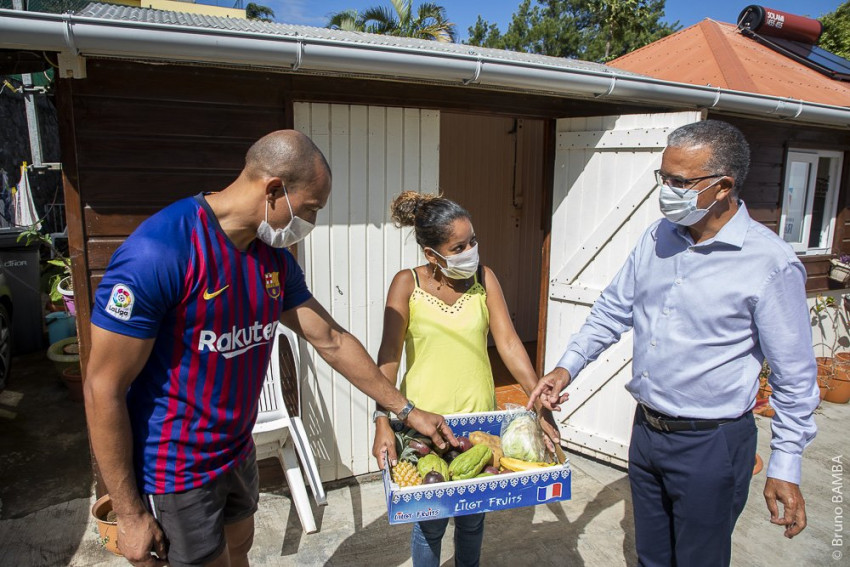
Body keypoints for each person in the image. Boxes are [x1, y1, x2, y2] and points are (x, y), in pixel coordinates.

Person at [83, 131, 456, 567]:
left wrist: (406, 411)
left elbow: (330, 340)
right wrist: (129, 513)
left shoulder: (272, 259)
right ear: (274, 190)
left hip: (236, 450)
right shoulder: (160, 251)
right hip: (176, 468)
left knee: (239, 549)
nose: (311, 223)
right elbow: (101, 387)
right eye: (310, 209)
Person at [528, 120, 819, 566]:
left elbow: (795, 378)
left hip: (711, 444)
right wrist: (567, 367)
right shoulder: (657, 238)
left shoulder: (770, 264)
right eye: (664, 177)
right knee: (652, 557)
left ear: (723, 186)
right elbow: (612, 311)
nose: (666, 190)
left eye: (679, 182)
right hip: (647, 433)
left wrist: (785, 464)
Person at [372, 191, 558, 567]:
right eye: (459, 246)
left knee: (472, 521)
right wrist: (382, 420)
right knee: (430, 524)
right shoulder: (406, 284)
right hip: (424, 424)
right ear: (431, 254)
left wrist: (539, 402)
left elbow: (508, 343)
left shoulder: (484, 279)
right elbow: (388, 357)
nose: (471, 250)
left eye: (473, 240)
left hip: (478, 422)